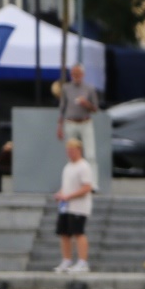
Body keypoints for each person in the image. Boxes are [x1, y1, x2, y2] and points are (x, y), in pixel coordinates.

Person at [51, 137, 95, 274]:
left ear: (79, 150)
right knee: (64, 233)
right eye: (68, 150)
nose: (69, 153)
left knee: (78, 232)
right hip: (66, 206)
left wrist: (69, 196)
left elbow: (87, 187)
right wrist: (60, 193)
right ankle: (67, 260)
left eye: (72, 150)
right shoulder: (68, 166)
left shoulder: (84, 166)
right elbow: (67, 186)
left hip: (79, 207)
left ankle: (82, 262)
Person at [55, 63, 99, 174]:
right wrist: (59, 126)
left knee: (90, 155)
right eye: (74, 74)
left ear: (83, 74)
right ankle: (72, 180)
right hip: (71, 123)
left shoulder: (89, 88)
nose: (76, 76)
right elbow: (62, 108)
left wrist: (86, 104)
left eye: (78, 74)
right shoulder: (66, 88)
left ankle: (92, 182)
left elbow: (95, 109)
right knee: (71, 153)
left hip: (85, 122)